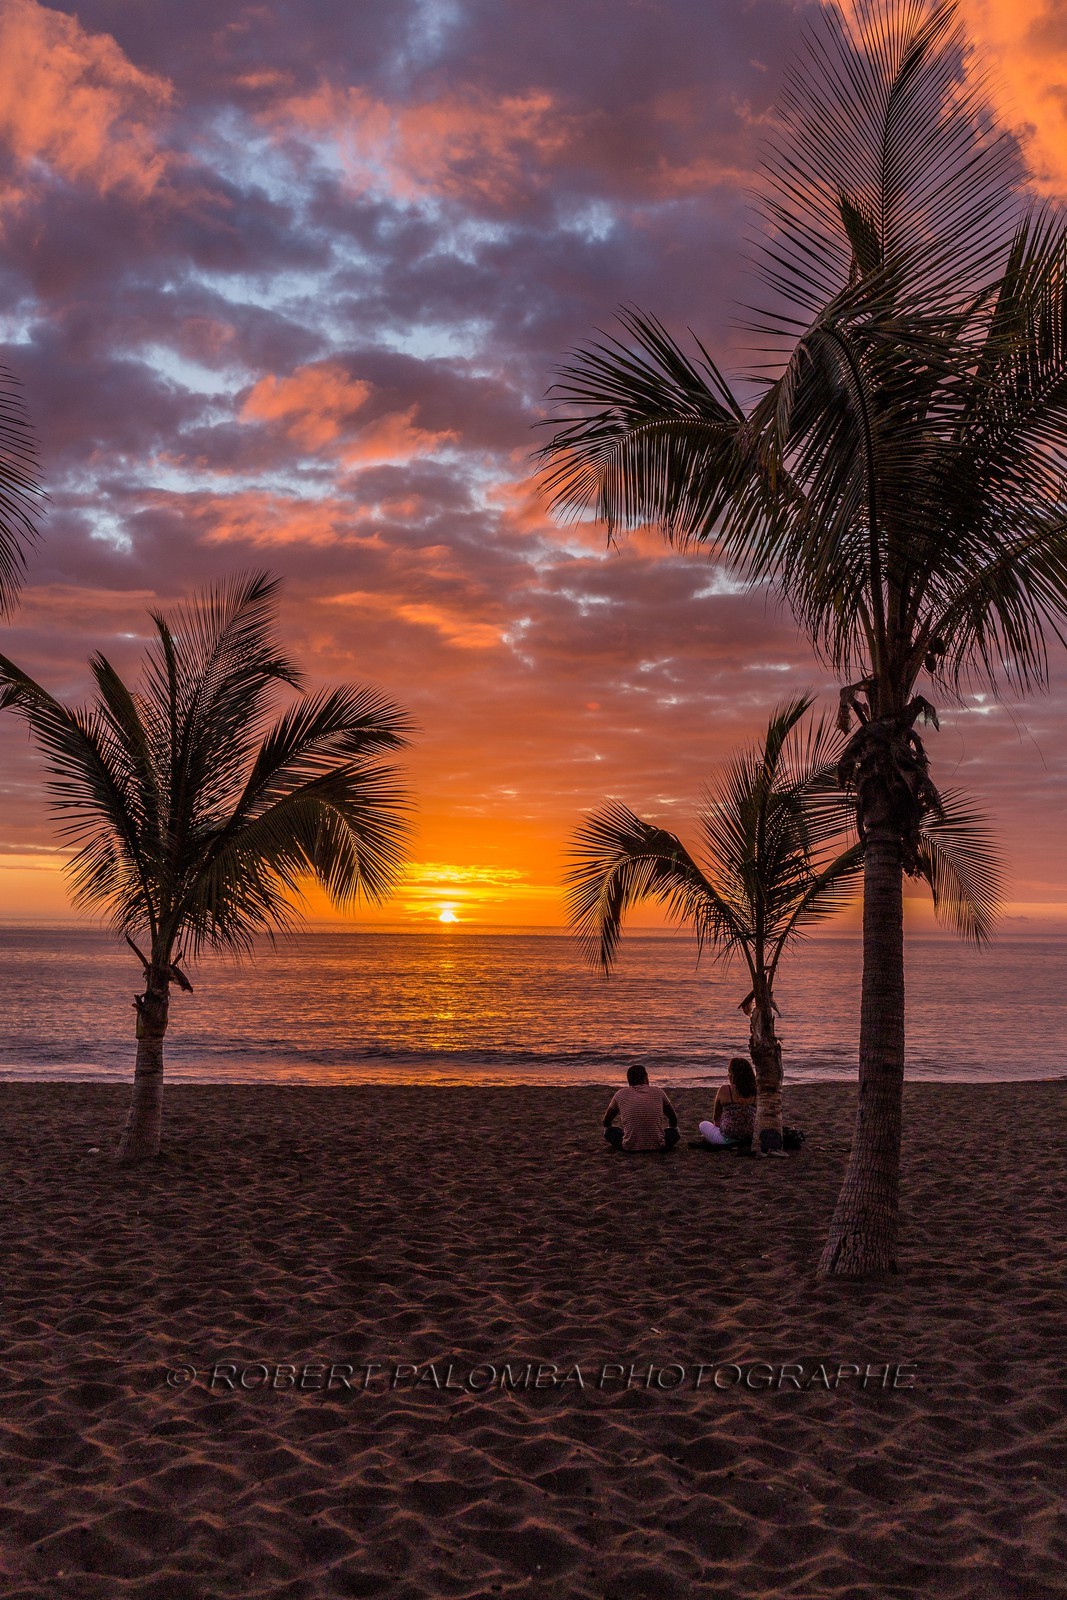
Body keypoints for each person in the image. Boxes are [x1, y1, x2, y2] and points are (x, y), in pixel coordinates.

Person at [603, 1064, 680, 1152]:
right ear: (645, 1078)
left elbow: (606, 1121)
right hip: (658, 1146)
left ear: (629, 1080)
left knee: (610, 1131)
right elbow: (673, 1118)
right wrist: (670, 1129)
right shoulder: (659, 1092)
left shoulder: (620, 1094)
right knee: (674, 1132)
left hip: (629, 1147)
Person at [698, 1057, 757, 1147]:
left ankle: (727, 1141)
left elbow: (716, 1119)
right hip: (750, 1136)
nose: (728, 1076)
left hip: (727, 1137)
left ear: (732, 1075)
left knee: (703, 1125)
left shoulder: (725, 1090)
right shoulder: (756, 1092)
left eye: (729, 1073)